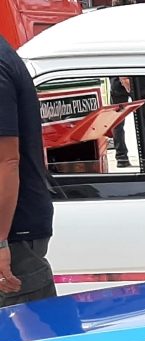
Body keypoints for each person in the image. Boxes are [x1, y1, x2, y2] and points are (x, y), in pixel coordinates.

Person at [0, 36, 55, 306]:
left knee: (27, 329)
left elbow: (6, 161)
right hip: (13, 233)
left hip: (13, 236)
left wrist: (0, 242)